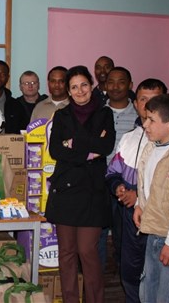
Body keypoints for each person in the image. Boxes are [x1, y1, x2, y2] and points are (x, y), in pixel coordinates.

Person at [45, 65, 115, 303]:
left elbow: (105, 147)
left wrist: (73, 144)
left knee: (87, 251)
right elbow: (55, 150)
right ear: (68, 90)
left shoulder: (105, 114)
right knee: (66, 253)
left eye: (84, 84)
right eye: (74, 87)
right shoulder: (62, 115)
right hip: (65, 191)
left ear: (92, 85)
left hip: (93, 191)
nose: (80, 90)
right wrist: (88, 149)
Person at [106, 79, 167, 303]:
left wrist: (139, 197)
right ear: (135, 103)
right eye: (143, 99)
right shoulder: (129, 138)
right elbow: (112, 171)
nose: (148, 104)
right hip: (128, 214)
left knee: (157, 274)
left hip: (159, 218)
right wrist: (119, 188)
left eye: (155, 99)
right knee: (129, 268)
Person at [133, 94, 169, 303]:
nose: (145, 124)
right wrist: (139, 205)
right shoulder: (152, 147)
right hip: (153, 232)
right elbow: (146, 182)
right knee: (147, 291)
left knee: (167, 295)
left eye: (151, 120)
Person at [99, 66, 138, 272]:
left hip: (127, 186)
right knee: (99, 236)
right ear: (105, 85)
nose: (115, 86)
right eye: (111, 82)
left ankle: (126, 277)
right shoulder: (97, 112)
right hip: (99, 183)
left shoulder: (140, 116)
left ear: (130, 85)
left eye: (121, 81)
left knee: (125, 237)